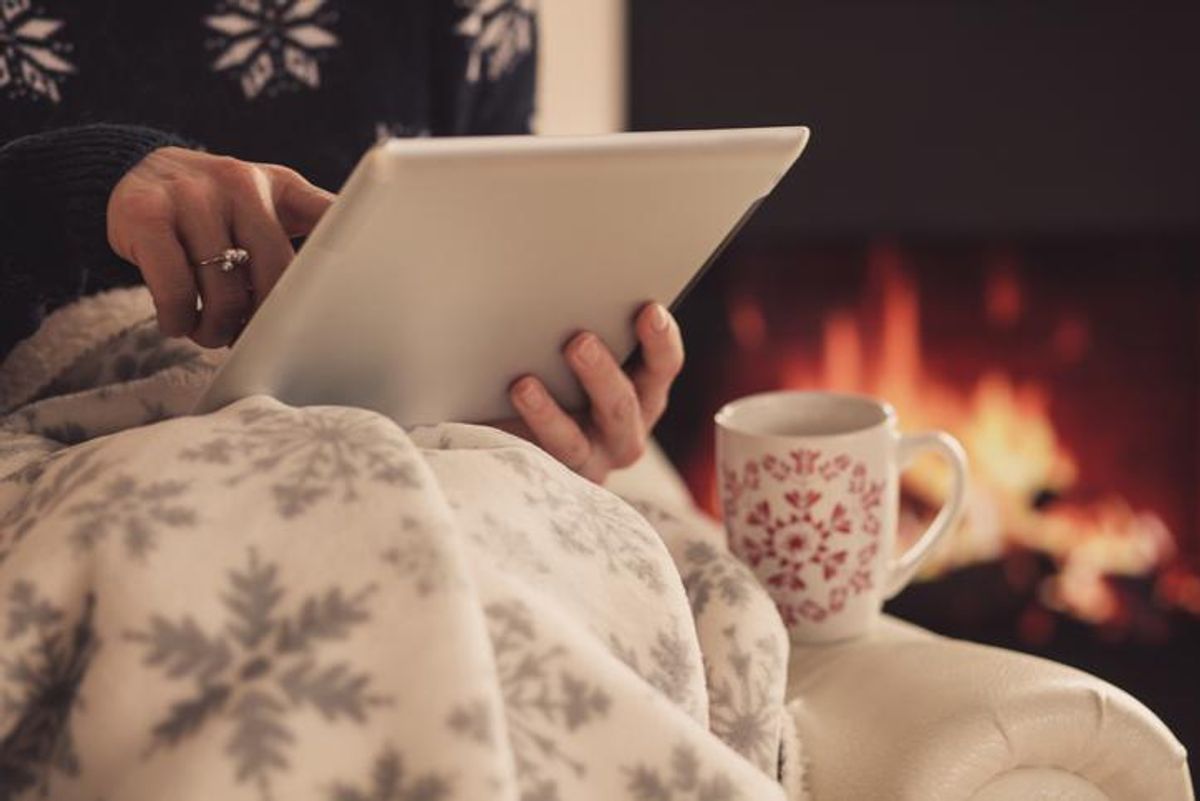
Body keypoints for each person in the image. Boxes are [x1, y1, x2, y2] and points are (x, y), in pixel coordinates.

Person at [0, 0, 683, 483]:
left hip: (427, 454)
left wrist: (546, 415)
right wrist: (76, 190)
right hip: (84, 446)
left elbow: (482, 272)